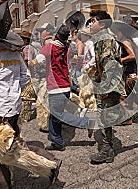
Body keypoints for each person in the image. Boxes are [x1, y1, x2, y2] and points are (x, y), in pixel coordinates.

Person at [0, 3, 61, 188]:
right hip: (13, 108)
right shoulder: (14, 54)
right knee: (3, 146)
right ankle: (42, 165)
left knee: (0, 150)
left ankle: (48, 163)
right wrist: (9, 90)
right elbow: (25, 78)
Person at [30, 24, 91, 151]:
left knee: (58, 115)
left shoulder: (49, 47)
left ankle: (86, 122)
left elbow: (37, 61)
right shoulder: (66, 48)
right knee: (54, 117)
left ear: (56, 35)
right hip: (65, 87)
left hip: (55, 88)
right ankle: (56, 141)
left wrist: (29, 62)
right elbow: (74, 59)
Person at [89, 10, 126, 164]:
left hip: (109, 84)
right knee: (107, 114)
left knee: (104, 117)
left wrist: (104, 88)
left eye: (93, 21)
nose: (90, 24)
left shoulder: (106, 39)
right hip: (105, 83)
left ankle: (107, 149)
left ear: (102, 24)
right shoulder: (100, 39)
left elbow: (110, 66)